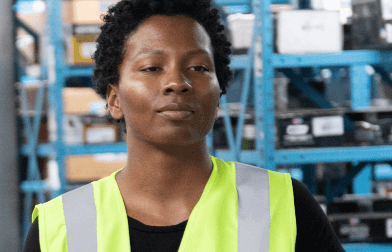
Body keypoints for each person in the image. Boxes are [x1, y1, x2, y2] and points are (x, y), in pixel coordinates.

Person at [22, 0, 344, 251]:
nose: (177, 82)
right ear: (114, 99)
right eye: (151, 68)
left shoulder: (284, 207)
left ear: (218, 95)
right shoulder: (58, 232)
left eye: (198, 67)